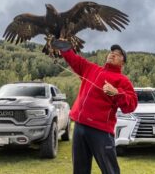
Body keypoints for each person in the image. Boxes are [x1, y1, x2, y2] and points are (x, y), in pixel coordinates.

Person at [52, 40, 138, 174]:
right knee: (80, 170)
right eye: (111, 52)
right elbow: (75, 60)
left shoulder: (123, 80)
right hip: (79, 127)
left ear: (123, 62)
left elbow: (132, 104)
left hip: (101, 131)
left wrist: (117, 93)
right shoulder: (91, 68)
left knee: (110, 170)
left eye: (117, 54)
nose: (112, 55)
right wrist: (65, 49)